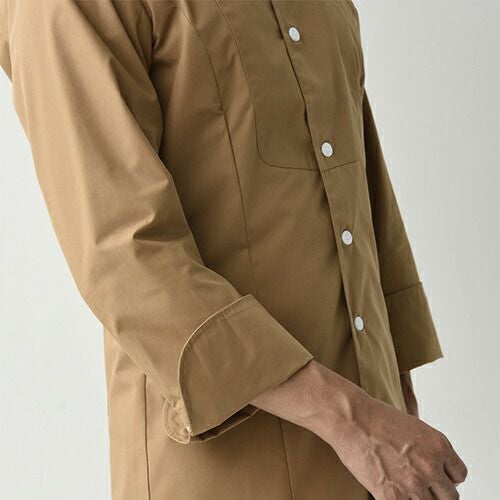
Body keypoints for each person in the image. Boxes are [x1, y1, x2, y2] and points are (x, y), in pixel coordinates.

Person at [0, 1, 467, 499]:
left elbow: (356, 173)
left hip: (374, 458)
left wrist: (393, 394)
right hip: (223, 466)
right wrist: (352, 421)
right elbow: (123, 254)